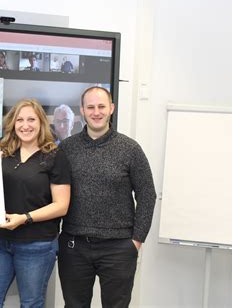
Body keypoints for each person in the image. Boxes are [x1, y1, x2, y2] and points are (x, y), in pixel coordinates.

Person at [57, 86, 157, 308]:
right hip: (75, 246)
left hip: (119, 247)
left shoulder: (130, 149)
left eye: (101, 106)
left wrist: (136, 241)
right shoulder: (66, 148)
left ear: (111, 108)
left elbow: (147, 195)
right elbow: (55, 194)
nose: (96, 112)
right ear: (82, 110)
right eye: (90, 107)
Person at [0, 99, 71, 308]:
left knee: (31, 304)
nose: (25, 125)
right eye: (20, 120)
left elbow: (61, 205)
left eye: (31, 119)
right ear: (12, 122)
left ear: (41, 123)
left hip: (36, 244)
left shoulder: (54, 155)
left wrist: (25, 218)